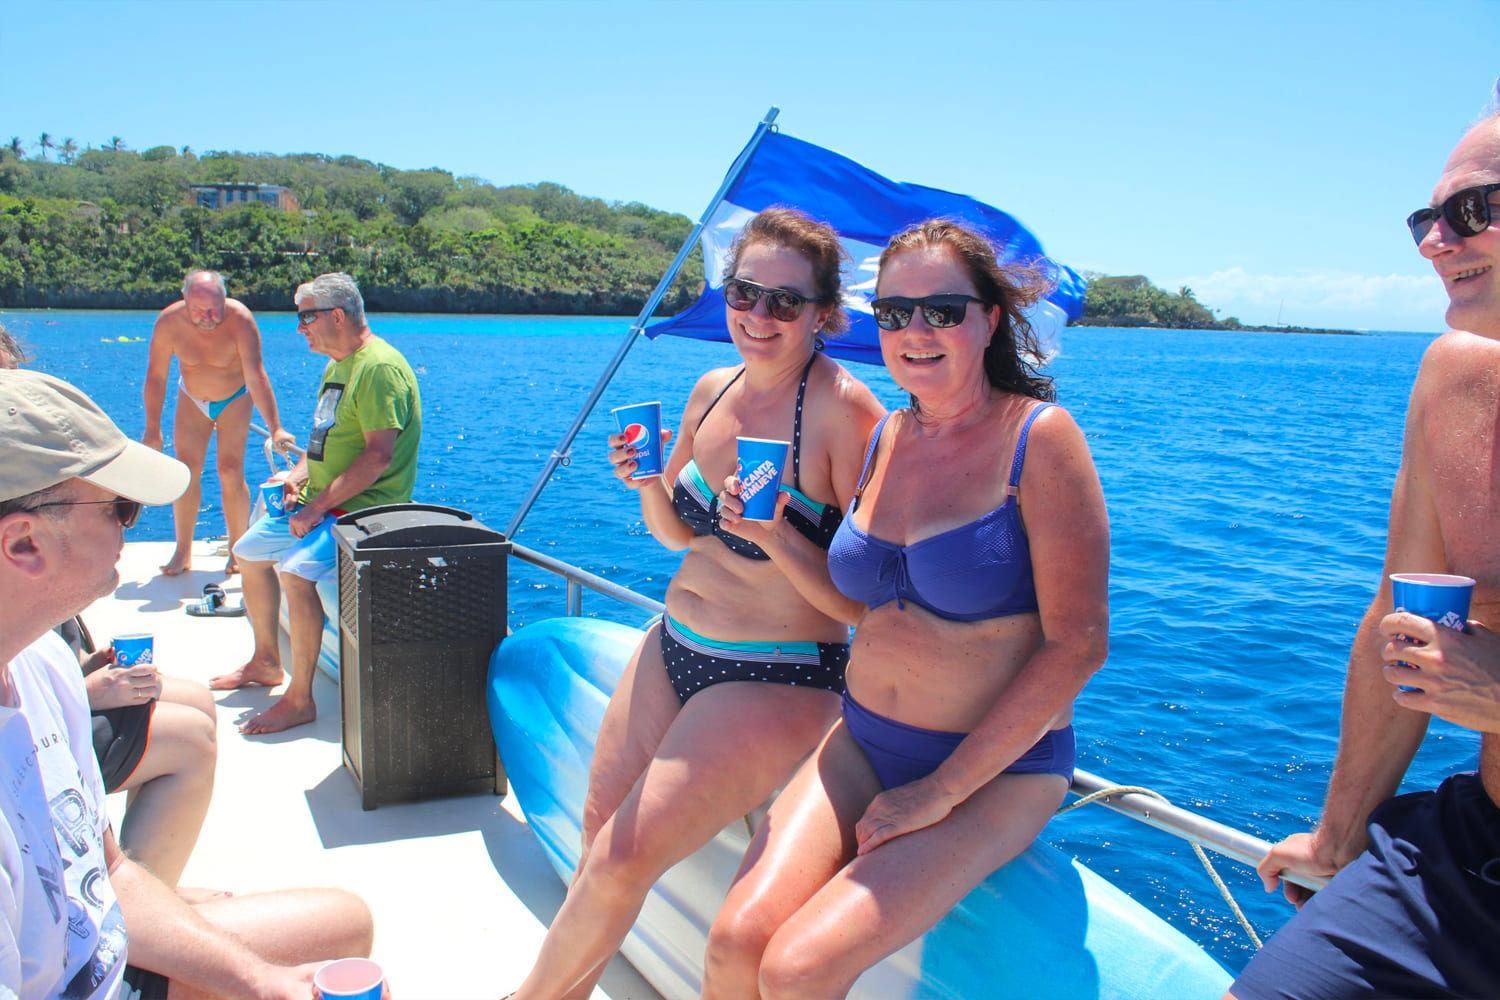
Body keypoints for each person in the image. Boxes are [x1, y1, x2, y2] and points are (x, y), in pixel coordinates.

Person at [701, 220, 1110, 999]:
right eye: (893, 314)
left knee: (796, 968)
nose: (914, 332)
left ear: (989, 319)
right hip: (862, 740)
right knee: (734, 943)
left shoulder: (1040, 439)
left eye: (941, 311)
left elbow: (1079, 645)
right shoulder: (889, 433)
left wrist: (942, 791)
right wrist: (777, 537)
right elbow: (863, 609)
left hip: (994, 774)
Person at [509, 208, 885, 1000]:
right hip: (671, 642)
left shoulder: (848, 415)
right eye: (745, 293)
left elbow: (868, 603)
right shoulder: (712, 390)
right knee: (596, 841)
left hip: (776, 674)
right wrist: (646, 485)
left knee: (622, 857)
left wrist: (781, 536)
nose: (759, 316)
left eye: (787, 302)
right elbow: (680, 537)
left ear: (825, 314)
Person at [1230, 112, 1500, 1000]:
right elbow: (1400, 621)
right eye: (1426, 219)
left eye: (1475, 208)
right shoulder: (1454, 381)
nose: (1436, 243)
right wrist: (1337, 835)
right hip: (1471, 857)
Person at [0, 368, 375, 1000]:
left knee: (344, 924)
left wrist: (263, 982)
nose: (131, 528)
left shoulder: (43, 666)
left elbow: (109, 870)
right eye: (121, 508)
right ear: (24, 543)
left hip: (95, 949)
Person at [209, 272, 421, 735]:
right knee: (246, 553)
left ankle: (300, 699)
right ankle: (266, 662)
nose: (300, 328)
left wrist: (314, 508)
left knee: (295, 572)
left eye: (306, 317)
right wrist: (295, 476)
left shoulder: (379, 368)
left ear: (337, 317)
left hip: (363, 509)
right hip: (322, 500)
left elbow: (377, 457)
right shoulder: (336, 366)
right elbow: (321, 439)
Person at [143, 269, 296, 576]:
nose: (209, 317)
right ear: (184, 298)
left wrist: (275, 426)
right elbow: (156, 376)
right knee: (186, 471)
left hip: (235, 396)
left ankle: (236, 551)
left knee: (229, 469)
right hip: (192, 398)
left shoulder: (240, 319)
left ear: (225, 299)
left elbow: (256, 375)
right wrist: (152, 428)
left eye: (215, 309)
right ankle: (182, 551)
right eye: (199, 310)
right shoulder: (168, 322)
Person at [67, 616, 219, 888]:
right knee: (191, 742)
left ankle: (158, 880)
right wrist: (84, 693)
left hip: (65, 694)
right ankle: (142, 904)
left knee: (199, 700)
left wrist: (88, 665)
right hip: (31, 731)